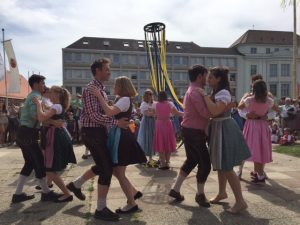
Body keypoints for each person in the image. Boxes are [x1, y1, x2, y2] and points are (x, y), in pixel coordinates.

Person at [66, 58, 129, 221]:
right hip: (92, 132)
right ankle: (100, 209)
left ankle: (76, 184)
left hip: (97, 132)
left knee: (103, 166)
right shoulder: (91, 88)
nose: (109, 72)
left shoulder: (99, 89)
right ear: (97, 71)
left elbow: (99, 112)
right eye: (107, 69)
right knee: (106, 169)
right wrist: (116, 122)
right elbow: (94, 116)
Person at [90, 76, 146, 214]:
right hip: (120, 136)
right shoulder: (123, 99)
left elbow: (109, 112)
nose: (113, 87)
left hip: (122, 138)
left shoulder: (125, 99)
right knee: (118, 172)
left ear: (121, 86)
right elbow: (111, 113)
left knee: (120, 173)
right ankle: (133, 194)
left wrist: (99, 96)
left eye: (116, 85)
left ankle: (132, 203)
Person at [198, 67, 251, 213]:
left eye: (210, 77)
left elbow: (215, 111)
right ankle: (222, 192)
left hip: (224, 129)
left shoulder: (223, 93)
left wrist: (204, 97)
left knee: (226, 165)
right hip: (218, 128)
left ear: (219, 78)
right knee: (221, 164)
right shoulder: (218, 92)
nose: (208, 80)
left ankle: (240, 201)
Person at [12, 74, 62, 204]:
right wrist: (53, 122)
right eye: (42, 83)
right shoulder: (36, 97)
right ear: (35, 84)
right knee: (39, 162)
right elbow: (38, 116)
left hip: (24, 133)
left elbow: (38, 117)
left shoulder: (33, 96)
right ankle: (46, 193)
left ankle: (18, 194)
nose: (44, 86)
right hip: (28, 134)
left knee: (29, 164)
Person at [169, 65, 212, 208]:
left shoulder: (192, 90)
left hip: (189, 130)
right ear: (200, 76)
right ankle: (200, 195)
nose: (207, 78)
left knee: (192, 160)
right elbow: (205, 113)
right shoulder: (195, 92)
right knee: (205, 164)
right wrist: (217, 106)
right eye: (206, 75)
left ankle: (175, 189)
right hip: (194, 132)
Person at [33, 85, 77, 202]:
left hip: (54, 137)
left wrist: (38, 104)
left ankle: (67, 194)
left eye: (51, 92)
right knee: (51, 167)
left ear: (57, 95)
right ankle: (47, 188)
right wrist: (51, 120)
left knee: (49, 169)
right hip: (55, 135)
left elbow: (41, 118)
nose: (48, 94)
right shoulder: (57, 106)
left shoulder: (57, 106)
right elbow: (45, 119)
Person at [239, 80, 275, 183]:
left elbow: (239, 109)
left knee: (252, 148)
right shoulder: (269, 100)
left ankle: (259, 174)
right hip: (262, 126)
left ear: (253, 89)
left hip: (252, 125)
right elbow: (277, 111)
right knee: (260, 149)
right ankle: (259, 173)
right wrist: (267, 116)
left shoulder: (249, 100)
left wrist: (247, 115)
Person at [153, 91, 183, 169]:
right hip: (168, 124)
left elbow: (153, 114)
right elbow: (177, 113)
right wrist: (186, 113)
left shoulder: (155, 104)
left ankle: (163, 163)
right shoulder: (170, 104)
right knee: (168, 143)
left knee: (160, 143)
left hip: (159, 124)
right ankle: (167, 162)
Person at [137, 89, 157, 167]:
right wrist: (153, 112)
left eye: (151, 94)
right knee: (145, 138)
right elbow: (148, 114)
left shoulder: (155, 103)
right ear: (145, 95)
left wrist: (152, 113)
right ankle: (143, 158)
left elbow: (155, 113)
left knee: (152, 138)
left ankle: (151, 158)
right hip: (146, 122)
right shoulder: (144, 104)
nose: (150, 96)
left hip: (153, 122)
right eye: (148, 94)